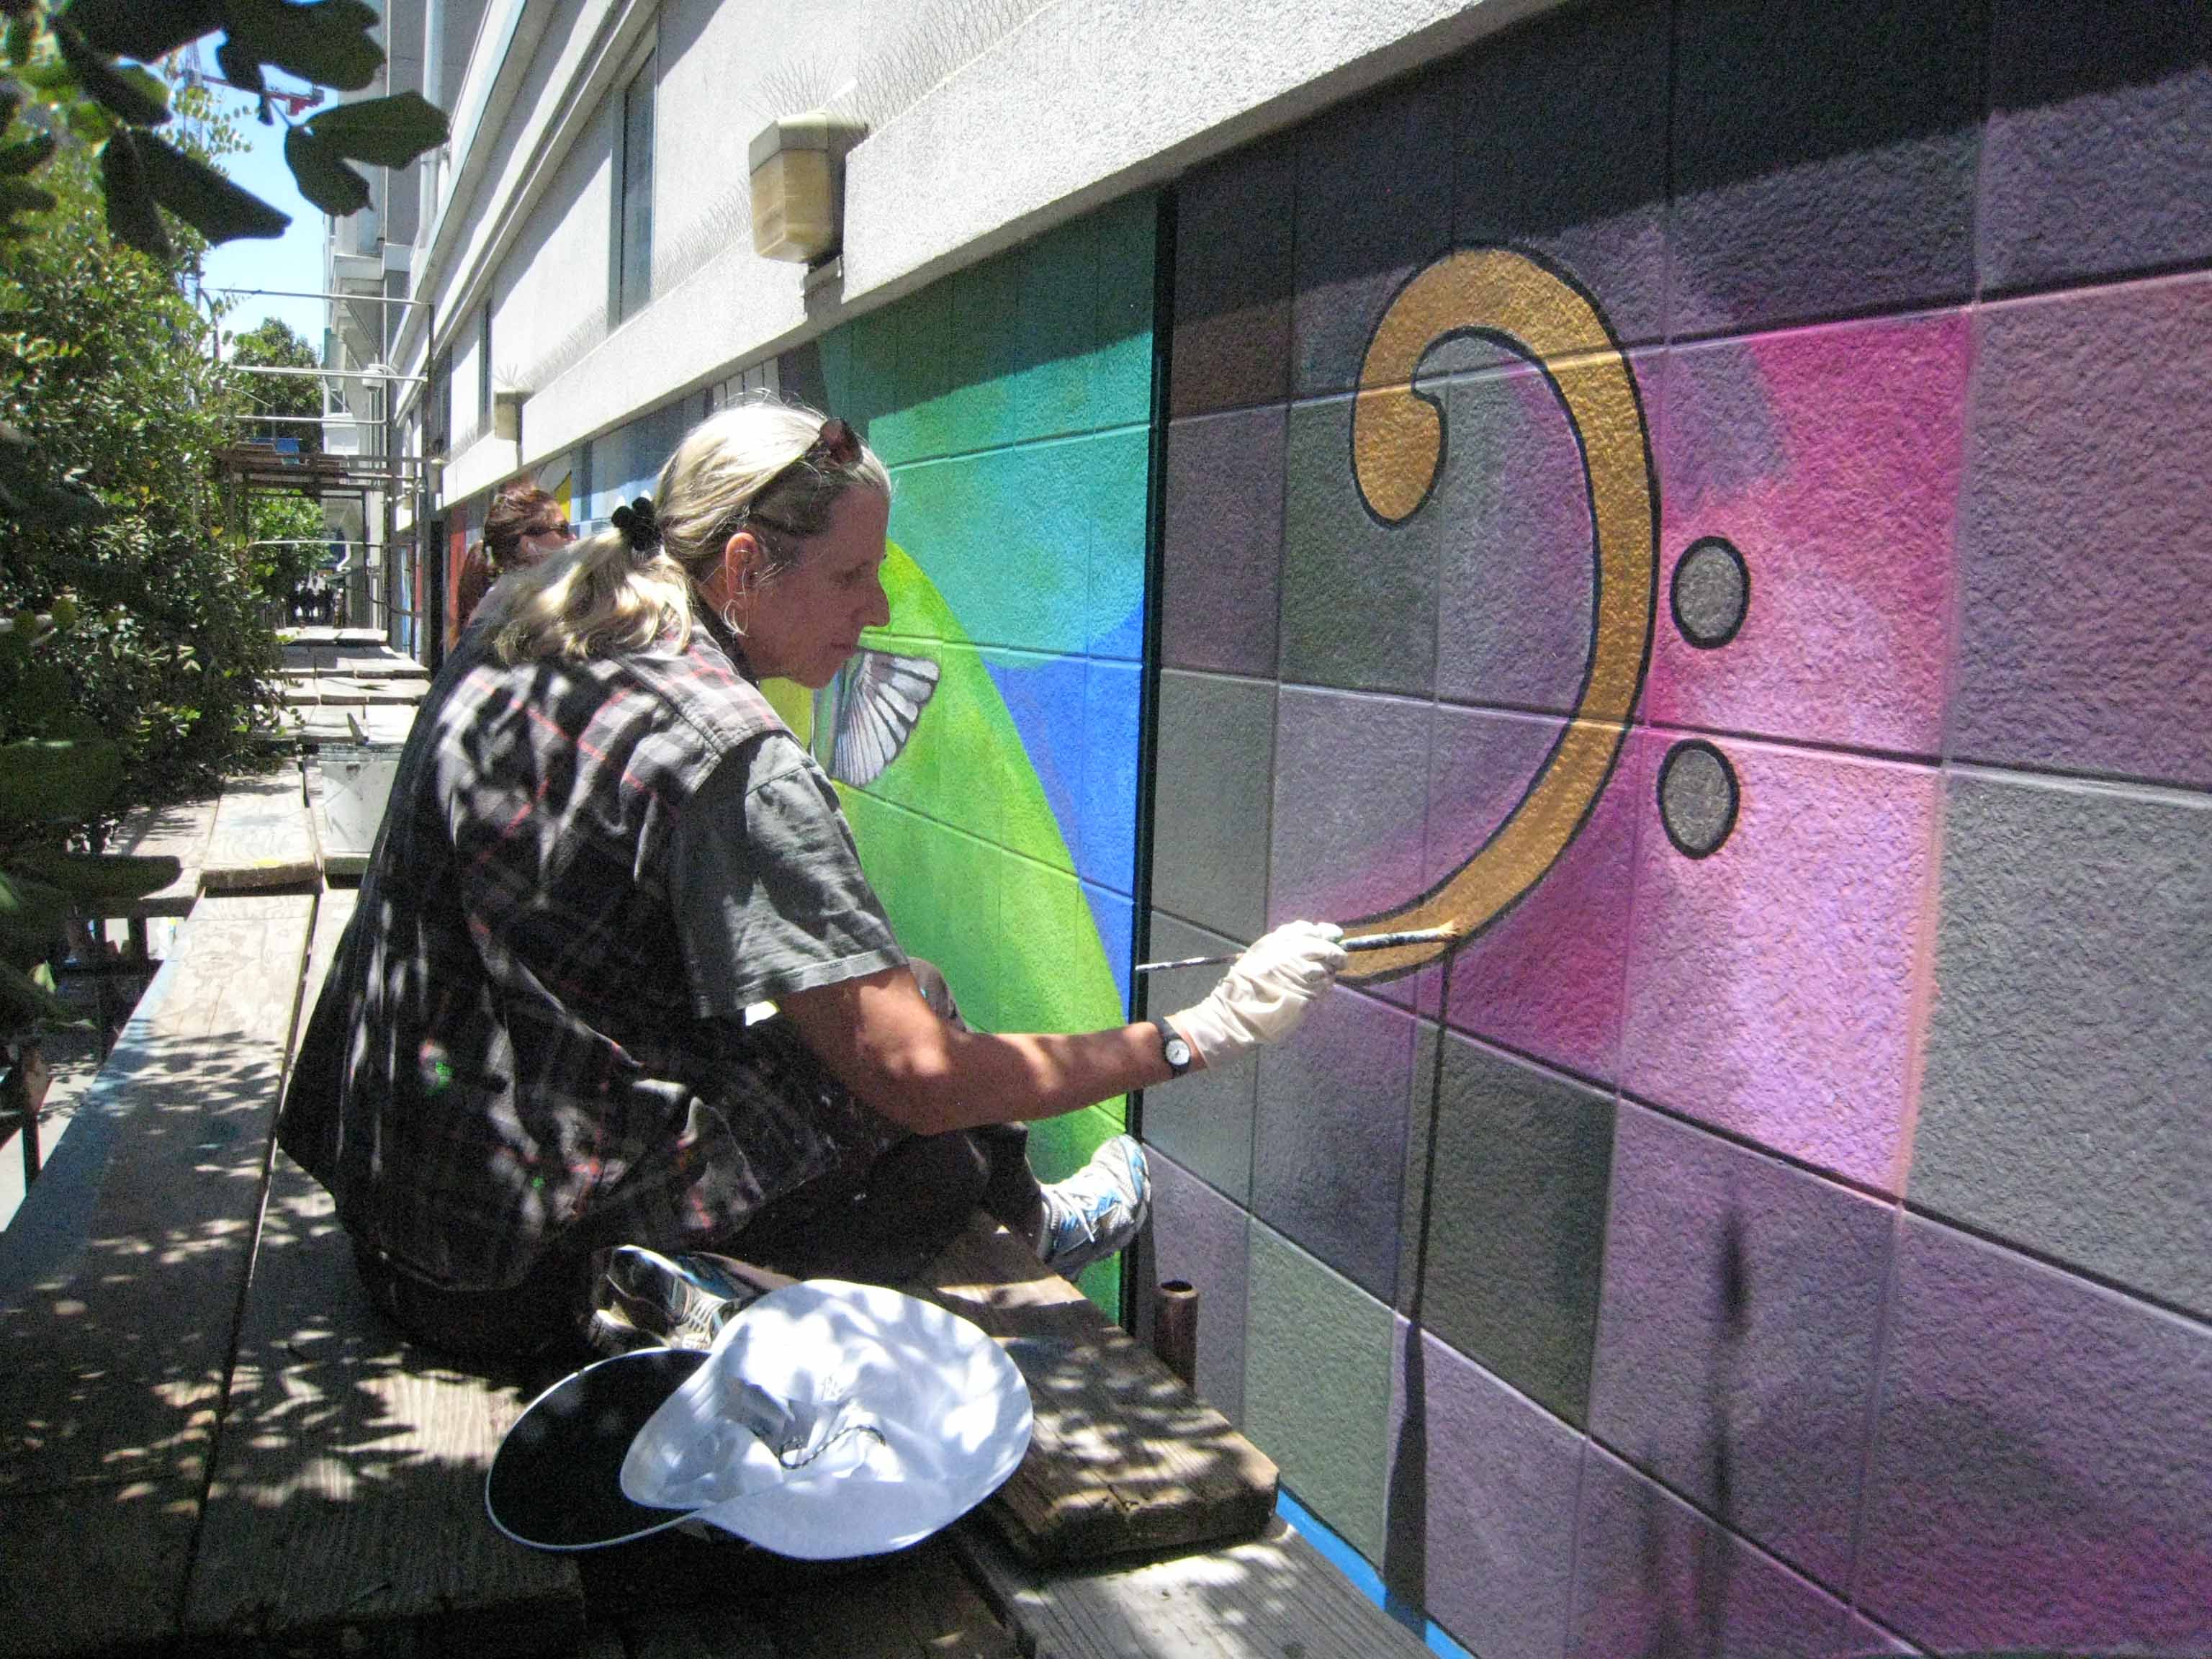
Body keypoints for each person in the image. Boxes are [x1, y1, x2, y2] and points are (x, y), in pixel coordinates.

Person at [280, 400, 1346, 1362]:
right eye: (850, 575)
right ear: (745, 567)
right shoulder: (729, 750)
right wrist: (1199, 1035)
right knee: (931, 1154)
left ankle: (982, 1227)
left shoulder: (529, 623)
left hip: (397, 1216)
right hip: (511, 1287)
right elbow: (918, 1073)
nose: (876, 608)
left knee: (902, 1009)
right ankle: (972, 1239)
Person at [452, 480, 575, 632]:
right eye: (562, 529)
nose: (573, 538)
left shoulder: (501, 602)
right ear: (528, 545)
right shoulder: (510, 613)